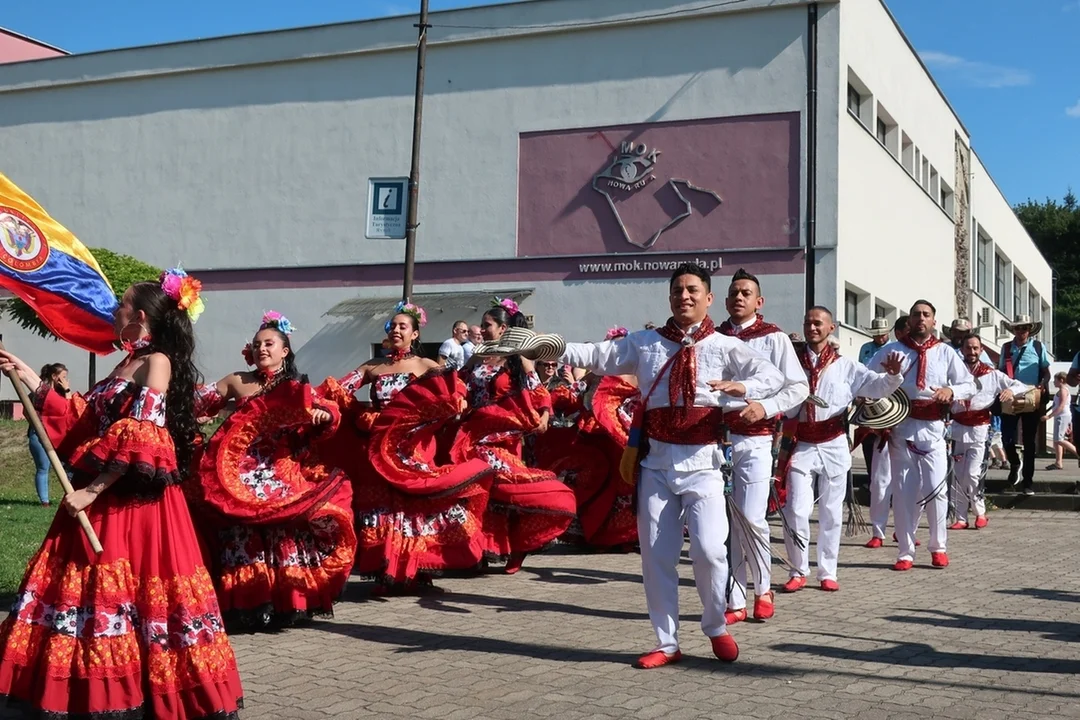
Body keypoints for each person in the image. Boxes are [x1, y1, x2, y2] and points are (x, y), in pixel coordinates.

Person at [0, 269, 244, 719]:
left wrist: (91, 491)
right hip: (104, 499)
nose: (115, 312)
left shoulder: (159, 363)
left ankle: (141, 694)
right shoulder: (124, 363)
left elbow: (144, 437)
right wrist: (31, 377)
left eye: (122, 305)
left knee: (134, 596)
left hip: (137, 504)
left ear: (142, 317)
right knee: (88, 595)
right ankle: (85, 689)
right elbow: (85, 421)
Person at [560, 263, 787, 669]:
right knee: (656, 556)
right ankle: (666, 642)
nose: (684, 296)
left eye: (692, 289)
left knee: (709, 551)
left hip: (704, 464)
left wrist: (745, 388)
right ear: (669, 297)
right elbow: (597, 355)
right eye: (678, 290)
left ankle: (716, 624)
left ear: (708, 297)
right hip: (656, 463)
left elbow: (772, 374)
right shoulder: (646, 343)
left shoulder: (724, 345)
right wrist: (550, 346)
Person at [188, 311, 356, 630]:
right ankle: (246, 601)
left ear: (285, 350)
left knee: (283, 535)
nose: (262, 348)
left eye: (269, 343)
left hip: (281, 473)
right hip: (236, 476)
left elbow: (329, 411)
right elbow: (196, 403)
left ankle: (287, 600)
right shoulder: (237, 381)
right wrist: (196, 419)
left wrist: (322, 416)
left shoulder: (296, 387)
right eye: (257, 344)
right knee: (241, 534)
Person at [319, 302, 493, 594]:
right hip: (377, 448)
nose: (396, 330)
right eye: (393, 325)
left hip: (413, 446)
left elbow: (455, 391)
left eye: (403, 326)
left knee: (413, 506)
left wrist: (457, 403)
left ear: (415, 334)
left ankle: (414, 569)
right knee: (385, 507)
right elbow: (339, 388)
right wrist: (318, 403)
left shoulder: (426, 366)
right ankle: (389, 568)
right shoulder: (373, 366)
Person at [780, 307, 903, 593]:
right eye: (808, 322)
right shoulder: (793, 364)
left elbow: (877, 386)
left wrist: (893, 376)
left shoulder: (846, 365)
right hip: (802, 443)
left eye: (818, 323)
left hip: (834, 442)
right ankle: (798, 569)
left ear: (831, 327)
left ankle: (828, 571)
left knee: (831, 512)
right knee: (796, 508)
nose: (812, 327)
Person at [456, 298, 574, 575]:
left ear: (503, 328)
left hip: (503, 440)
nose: (483, 330)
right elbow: (458, 384)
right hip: (472, 436)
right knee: (477, 495)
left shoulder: (518, 359)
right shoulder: (477, 357)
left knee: (509, 494)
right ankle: (477, 550)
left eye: (487, 325)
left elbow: (538, 391)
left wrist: (544, 414)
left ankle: (518, 547)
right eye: (482, 326)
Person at [719, 268, 809, 624]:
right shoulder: (714, 336)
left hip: (755, 440)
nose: (739, 298)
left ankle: (763, 588)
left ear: (759, 301)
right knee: (726, 523)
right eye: (734, 293)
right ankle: (735, 598)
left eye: (746, 293)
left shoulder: (773, 339)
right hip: (715, 440)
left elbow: (798, 387)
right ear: (724, 301)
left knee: (752, 517)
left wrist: (766, 406)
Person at [869, 300, 975, 570]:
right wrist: (888, 380)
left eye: (926, 315)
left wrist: (951, 392)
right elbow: (867, 380)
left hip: (933, 428)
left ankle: (938, 547)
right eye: (916, 314)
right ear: (910, 319)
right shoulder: (893, 350)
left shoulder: (945, 352)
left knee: (936, 490)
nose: (921, 319)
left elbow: (969, 384)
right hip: (900, 426)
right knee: (903, 493)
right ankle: (905, 551)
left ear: (934, 322)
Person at [948, 334, 1028, 530]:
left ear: (981, 350)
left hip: (979, 428)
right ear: (962, 350)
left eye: (975, 348)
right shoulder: (954, 373)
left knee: (972, 473)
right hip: (957, 427)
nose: (972, 352)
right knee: (957, 475)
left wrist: (1011, 391)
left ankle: (980, 512)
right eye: (968, 348)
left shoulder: (991, 374)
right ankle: (960, 517)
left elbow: (1020, 385)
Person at [864, 314, 908, 547]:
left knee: (911, 483)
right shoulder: (885, 352)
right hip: (886, 419)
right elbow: (866, 379)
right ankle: (878, 531)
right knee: (880, 480)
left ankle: (906, 530)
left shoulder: (930, 353)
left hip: (913, 424)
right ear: (900, 333)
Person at [997, 315, 1051, 494]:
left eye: (1025, 328)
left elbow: (1046, 371)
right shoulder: (1006, 348)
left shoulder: (1037, 347)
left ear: (1029, 330)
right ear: (1014, 330)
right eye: (1018, 328)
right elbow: (1000, 372)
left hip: (1030, 396)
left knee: (1029, 441)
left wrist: (1043, 383)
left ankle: (1028, 482)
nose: (1021, 331)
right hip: (1011, 395)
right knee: (1007, 438)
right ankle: (1014, 463)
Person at [25, 362, 68, 506]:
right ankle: (45, 501)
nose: (65, 380)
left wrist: (67, 390)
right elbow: (26, 411)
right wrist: (36, 425)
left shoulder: (61, 393)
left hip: (58, 435)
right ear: (54, 376)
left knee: (68, 466)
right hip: (39, 435)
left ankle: (71, 497)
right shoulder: (38, 393)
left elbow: (70, 410)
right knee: (43, 467)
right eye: (63, 377)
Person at [1044, 372, 1076, 470]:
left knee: (1059, 440)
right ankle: (1058, 462)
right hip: (1060, 416)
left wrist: (1049, 416)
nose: (1054, 382)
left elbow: (1061, 406)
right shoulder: (1061, 390)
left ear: (1061, 380)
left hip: (1062, 416)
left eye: (1055, 380)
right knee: (1056, 441)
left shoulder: (1063, 390)